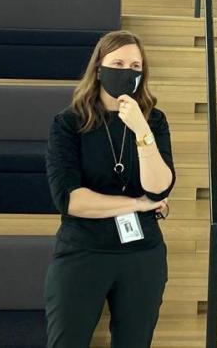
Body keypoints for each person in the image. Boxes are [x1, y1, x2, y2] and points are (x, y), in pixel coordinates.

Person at [45, 30, 175, 348]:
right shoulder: (69, 123)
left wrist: (141, 131)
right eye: (118, 64)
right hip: (83, 251)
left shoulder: (153, 121)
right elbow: (71, 200)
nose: (127, 72)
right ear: (99, 69)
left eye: (135, 66)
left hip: (142, 253)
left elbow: (159, 187)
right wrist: (138, 204)